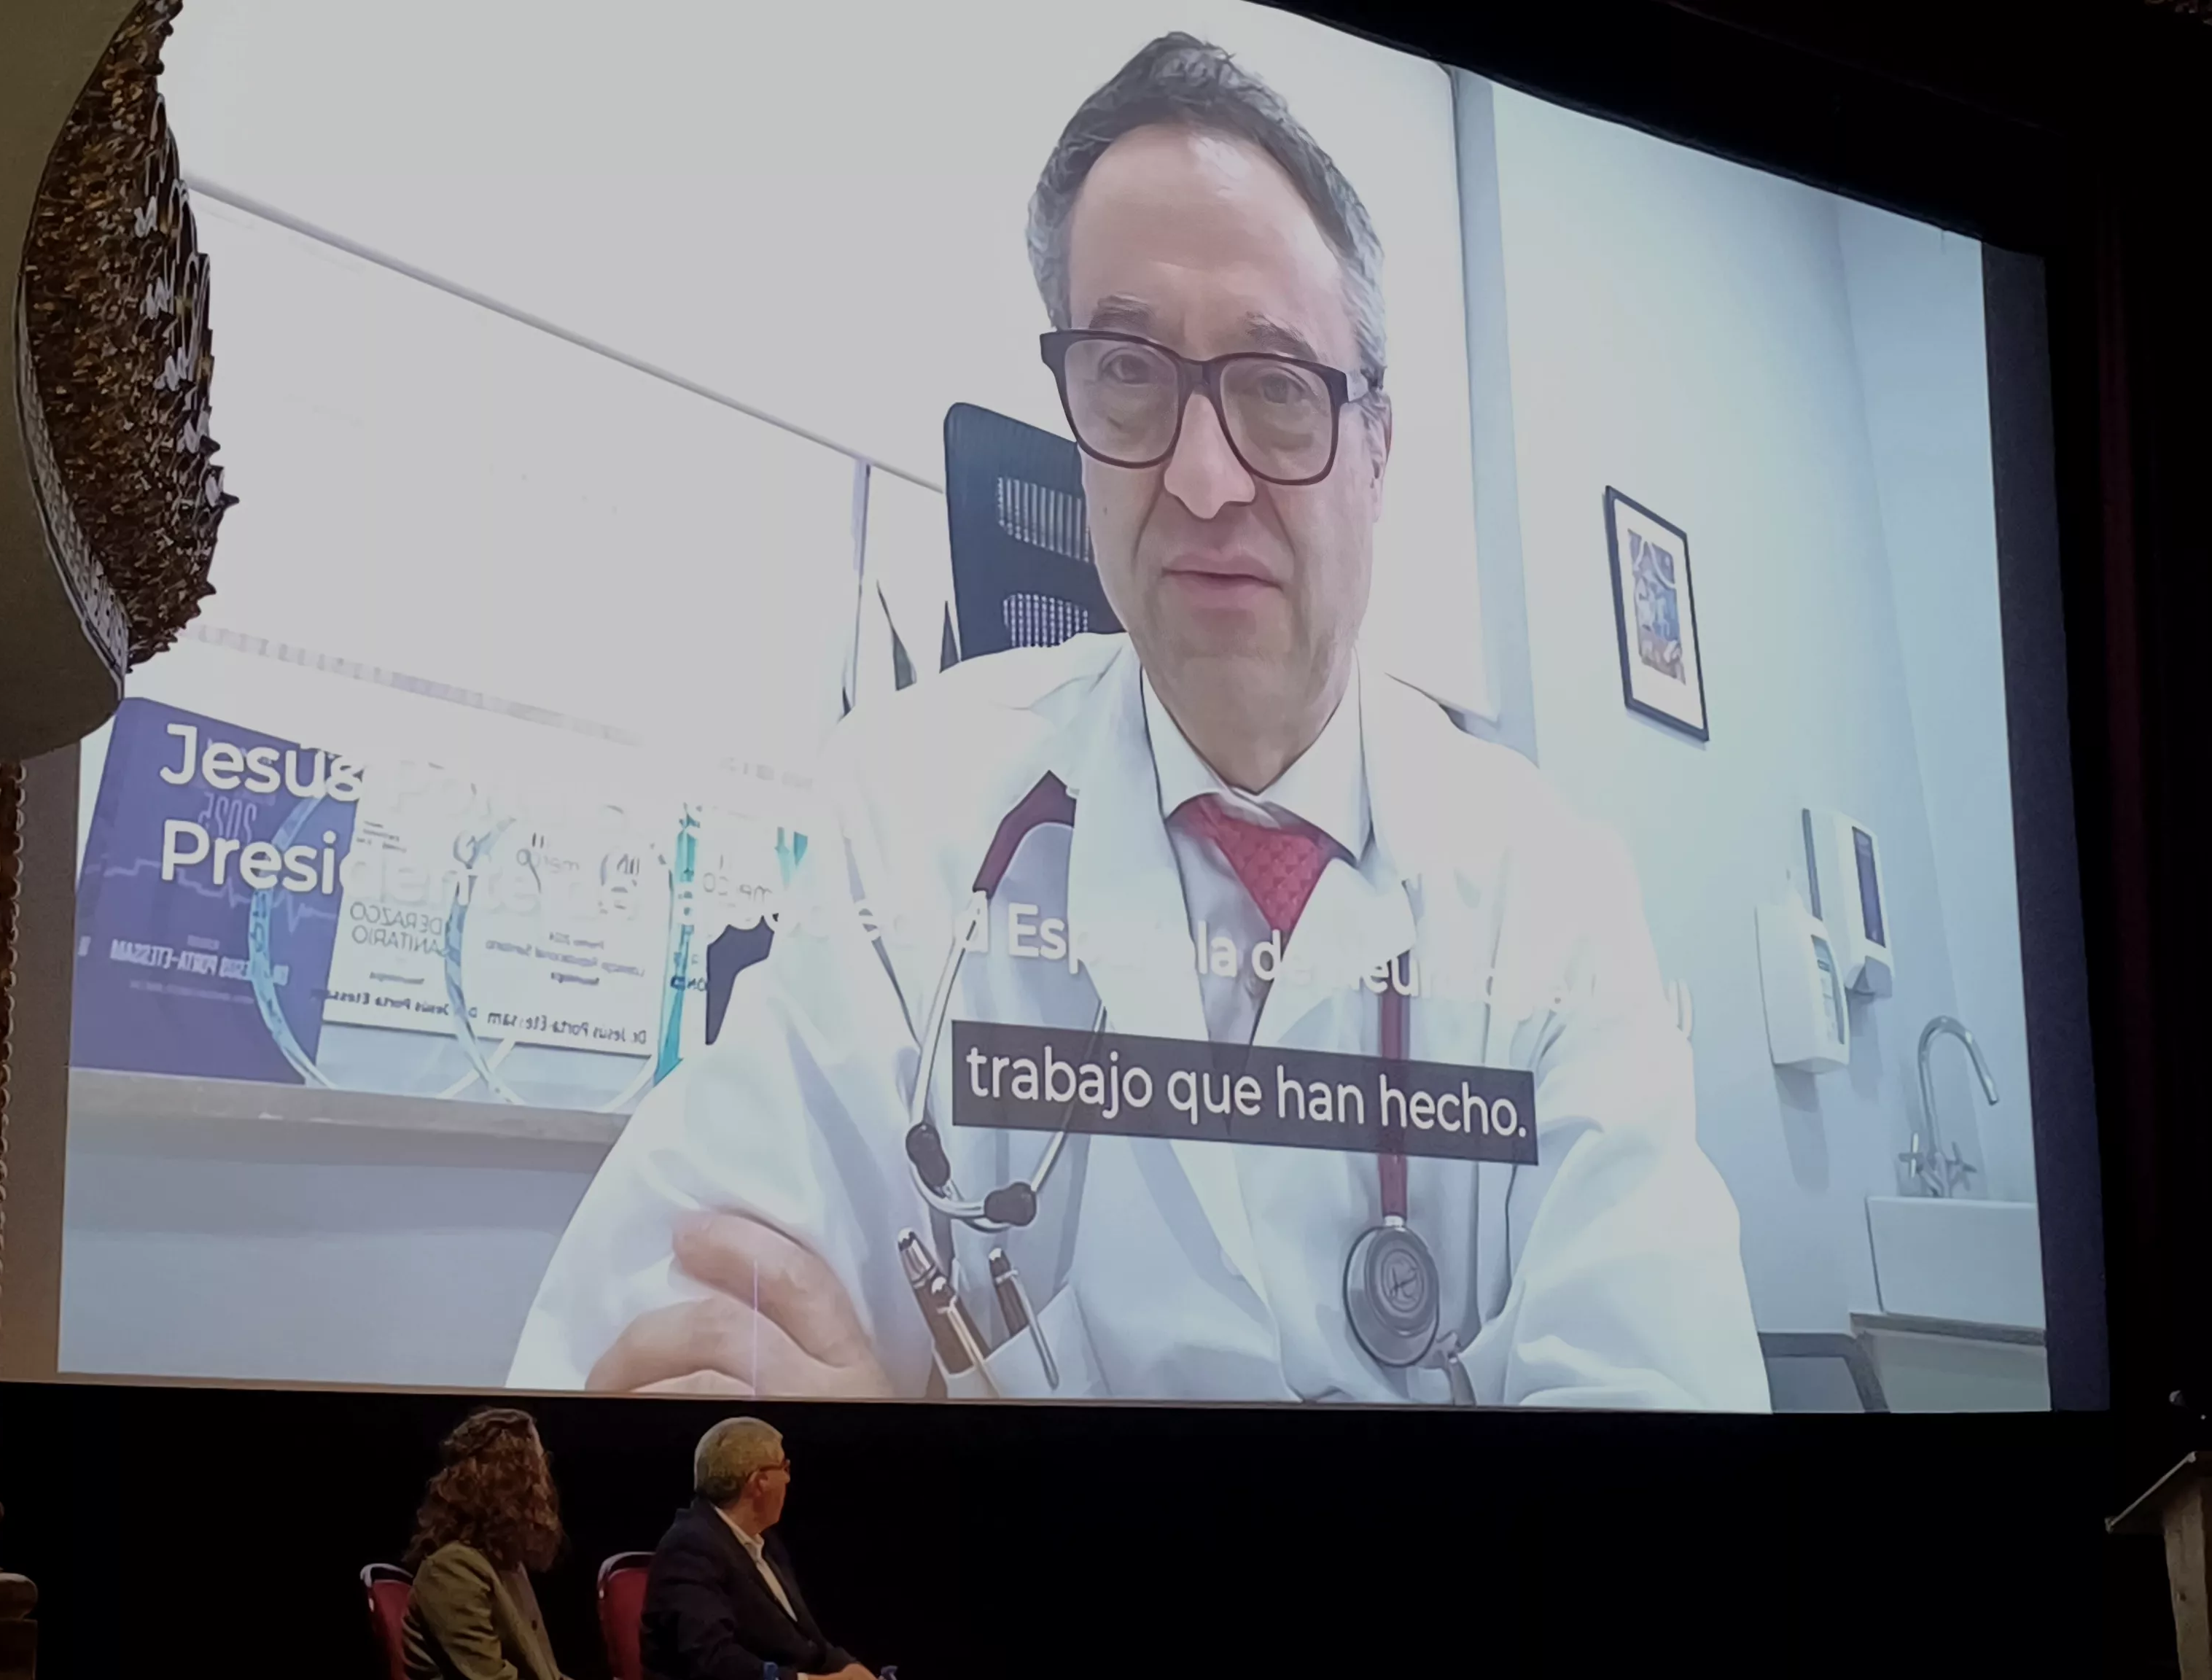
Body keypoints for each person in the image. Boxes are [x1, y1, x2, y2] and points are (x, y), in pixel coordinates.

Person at [510, 33, 1767, 1410]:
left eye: (1277, 384)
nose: (1205, 475)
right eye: (1129, 372)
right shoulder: (910, 810)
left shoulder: (1555, 897)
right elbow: (654, 1335)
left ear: (1378, 446)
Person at [643, 1418, 873, 1680]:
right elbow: (713, 1660)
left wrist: (848, 1668)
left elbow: (804, 1642)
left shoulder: (765, 1543)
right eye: (784, 1467)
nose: (788, 1478)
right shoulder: (689, 1548)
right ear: (759, 1482)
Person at [401, 1407, 567, 1680]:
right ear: (513, 1481)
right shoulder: (451, 1570)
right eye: (539, 1465)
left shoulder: (505, 1564)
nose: (546, 1481)